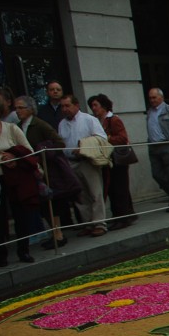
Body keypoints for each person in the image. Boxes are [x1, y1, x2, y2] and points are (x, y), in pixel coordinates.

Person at [59, 94, 109, 235]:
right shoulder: (62, 124)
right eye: (62, 106)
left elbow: (101, 138)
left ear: (76, 105)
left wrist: (84, 147)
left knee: (95, 193)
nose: (65, 109)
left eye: (67, 105)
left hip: (87, 161)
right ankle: (88, 224)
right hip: (71, 163)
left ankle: (99, 224)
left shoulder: (89, 119)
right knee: (80, 196)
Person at [87, 94, 137, 229]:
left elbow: (122, 138)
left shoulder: (113, 120)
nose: (93, 108)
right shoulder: (98, 121)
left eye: (95, 105)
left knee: (118, 188)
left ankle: (122, 217)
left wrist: (105, 139)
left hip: (117, 159)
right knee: (114, 188)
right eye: (92, 106)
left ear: (104, 106)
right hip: (107, 159)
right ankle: (126, 214)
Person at [0, 112, 34, 266]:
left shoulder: (12, 129)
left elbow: (29, 151)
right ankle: (1, 255)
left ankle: (24, 250)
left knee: (21, 215)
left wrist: (14, 157)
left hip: (15, 178)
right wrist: (1, 158)